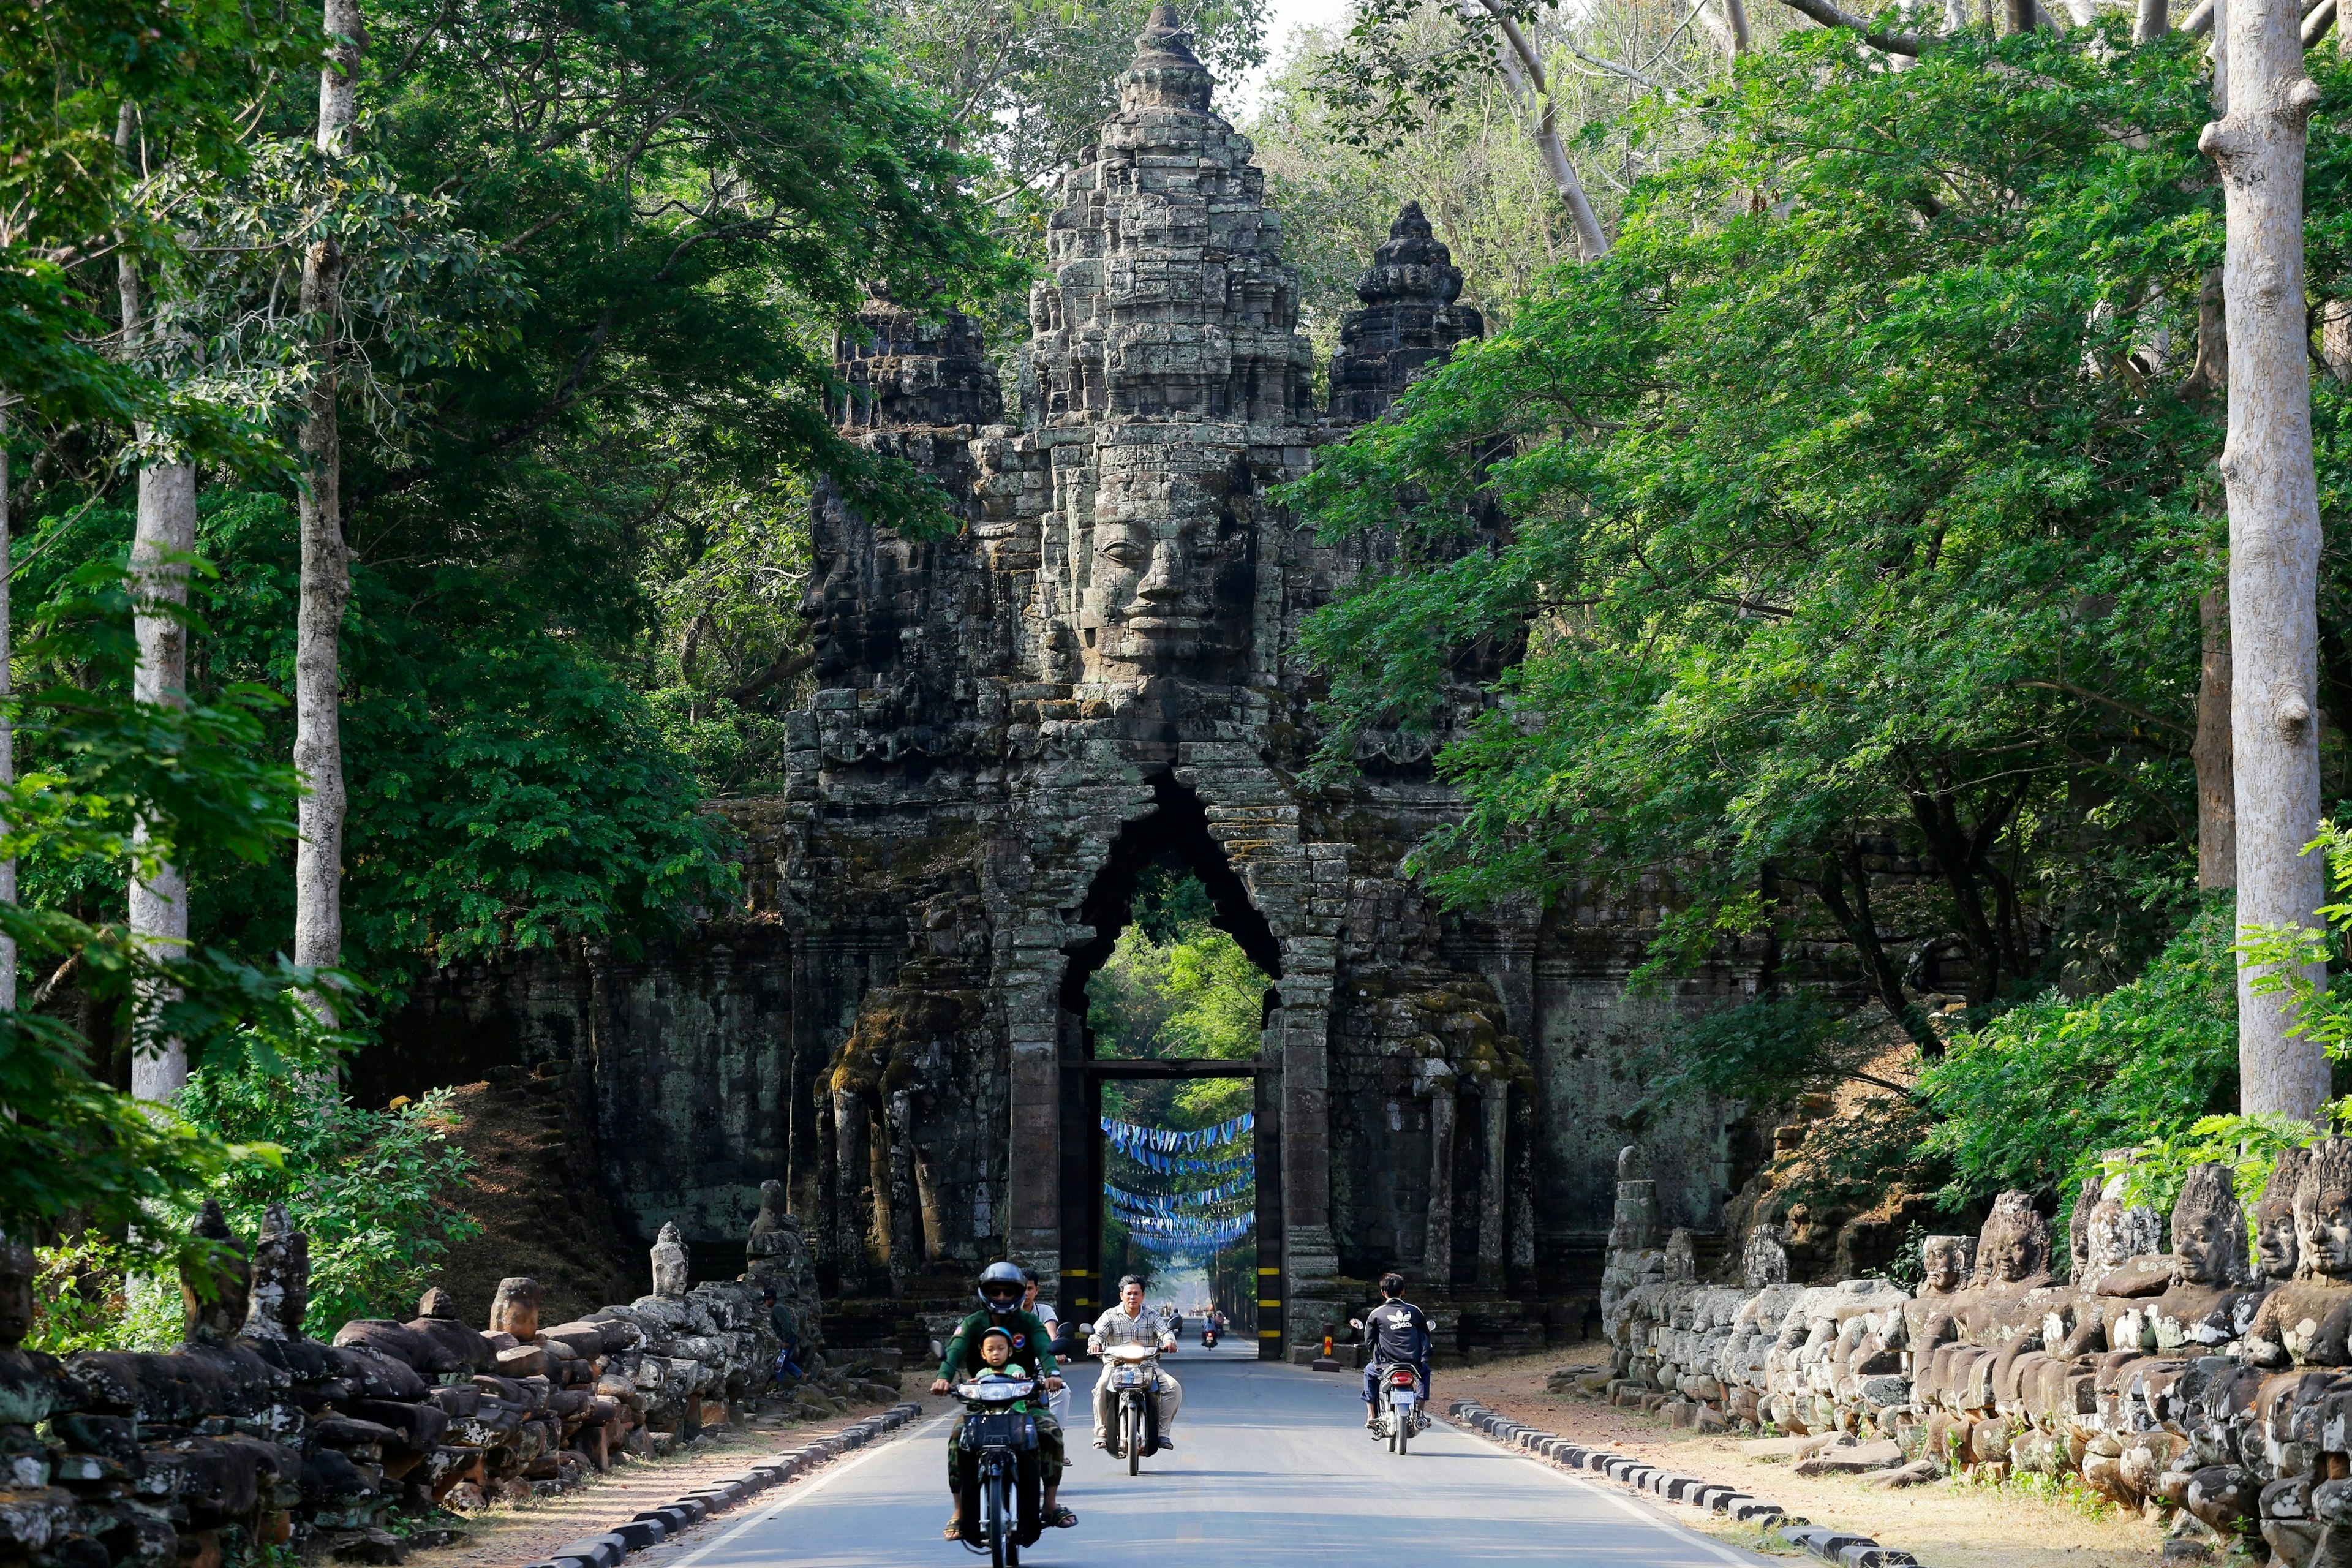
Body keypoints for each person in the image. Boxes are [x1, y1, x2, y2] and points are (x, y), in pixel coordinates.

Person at [931, 1261, 1074, 1536]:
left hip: (1025, 1401)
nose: (1002, 1298)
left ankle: (1051, 1504)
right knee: (956, 1439)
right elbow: (955, 1351)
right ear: (985, 1293)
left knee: (1052, 1432)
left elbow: (1045, 1348)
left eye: (1008, 1292)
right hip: (981, 1403)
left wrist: (1052, 1373)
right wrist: (943, 1378)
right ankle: (959, 1511)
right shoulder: (973, 1323)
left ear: (1019, 1294)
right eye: (995, 1292)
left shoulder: (1029, 1321)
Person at [1088, 1275, 1182, 1453]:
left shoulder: (1152, 1315)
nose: (1133, 1297)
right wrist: (1094, 1344)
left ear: (1143, 1296)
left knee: (1173, 1388)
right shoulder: (1110, 1315)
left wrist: (1170, 1342)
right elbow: (1097, 1334)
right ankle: (1101, 1432)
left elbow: (1165, 1332)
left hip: (1148, 1366)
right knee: (1101, 1387)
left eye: (1136, 1294)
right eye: (1129, 1293)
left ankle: (1162, 1433)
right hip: (1116, 1366)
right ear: (1121, 1295)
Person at [1354, 1272, 1432, 1433]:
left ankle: (1370, 1415)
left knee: (1369, 1372)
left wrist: (1375, 1353)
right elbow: (1425, 1336)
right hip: (1413, 1364)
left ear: (1383, 1293)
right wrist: (1423, 1358)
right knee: (1425, 1373)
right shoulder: (1415, 1312)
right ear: (1403, 1291)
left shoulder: (1376, 1314)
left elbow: (1369, 1342)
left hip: (1385, 1364)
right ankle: (1421, 1413)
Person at [1019, 1266, 1071, 1422]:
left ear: (1037, 1290)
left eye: (1030, 1288)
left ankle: (1054, 1434)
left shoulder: (1044, 1311)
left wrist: (1055, 1350)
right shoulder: (1005, 1313)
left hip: (1039, 1370)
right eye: (1021, 1288)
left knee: (1063, 1391)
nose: (1026, 1293)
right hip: (1009, 1373)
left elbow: (1051, 1333)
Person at [761, 1285, 804, 1388]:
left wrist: (785, 1340)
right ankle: (795, 1378)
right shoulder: (779, 1307)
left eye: (766, 1301)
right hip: (790, 1337)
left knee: (780, 1362)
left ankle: (786, 1382)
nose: (764, 1303)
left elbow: (785, 1324)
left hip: (787, 1339)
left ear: (771, 1300)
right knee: (783, 1361)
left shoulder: (777, 1309)